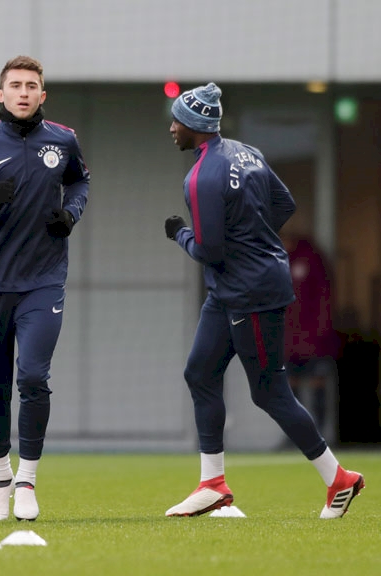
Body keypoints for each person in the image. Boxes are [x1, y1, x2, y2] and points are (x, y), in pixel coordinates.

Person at [162, 82, 364, 519]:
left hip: (250, 291)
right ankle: (212, 483)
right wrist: (250, 237)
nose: (172, 127)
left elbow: (209, 251)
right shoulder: (246, 152)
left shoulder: (199, 176)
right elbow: (284, 204)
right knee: (200, 372)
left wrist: (180, 233)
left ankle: (339, 479)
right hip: (231, 289)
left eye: (177, 120)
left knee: (269, 391)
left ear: (195, 125)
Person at [0, 55, 89, 522]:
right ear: (0, 94)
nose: (24, 92)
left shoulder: (62, 140)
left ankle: (27, 480)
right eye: (15, 85)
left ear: (42, 95)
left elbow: (80, 182)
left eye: (32, 86)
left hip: (43, 282)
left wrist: (71, 214)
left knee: (32, 377)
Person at [282, 230, 340, 440]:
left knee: (318, 385)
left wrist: (321, 332)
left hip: (315, 341)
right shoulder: (281, 261)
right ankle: (295, 436)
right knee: (291, 387)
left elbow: (324, 299)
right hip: (290, 342)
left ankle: (320, 434)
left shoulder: (312, 260)